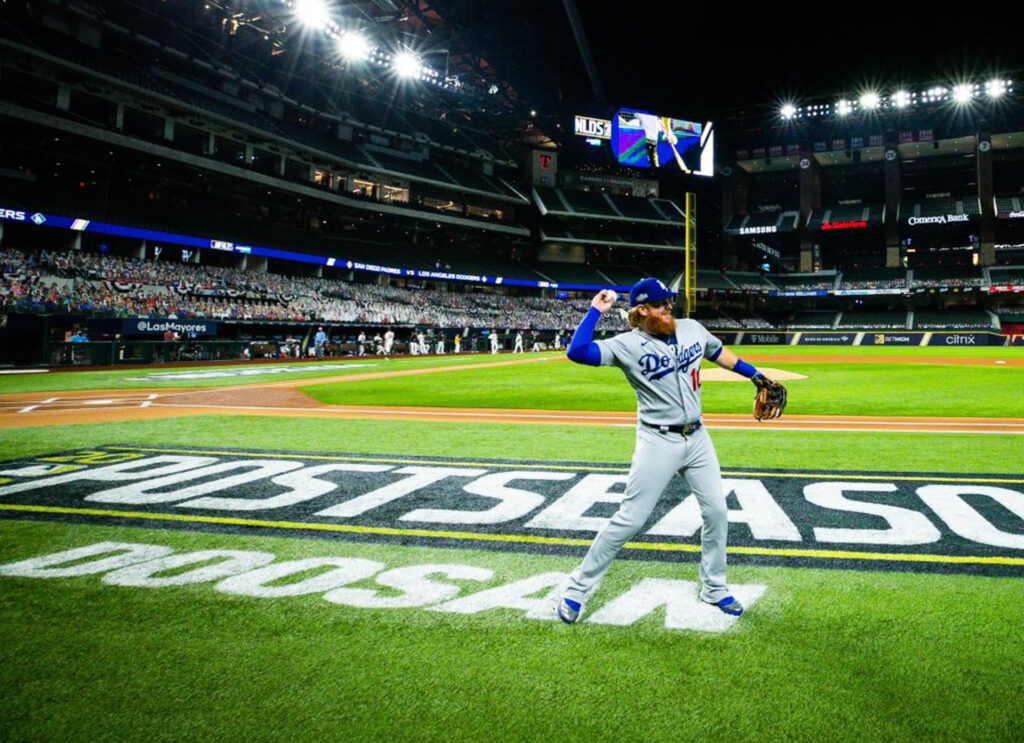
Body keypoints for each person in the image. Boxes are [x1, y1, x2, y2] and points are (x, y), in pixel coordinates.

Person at [556, 278, 780, 624]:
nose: (668, 308)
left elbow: (719, 353)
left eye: (669, 303)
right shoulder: (625, 345)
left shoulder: (691, 329)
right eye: (661, 304)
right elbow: (577, 352)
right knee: (630, 519)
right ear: (642, 310)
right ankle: (576, 589)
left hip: (698, 438)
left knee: (717, 512)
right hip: (657, 440)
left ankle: (714, 587)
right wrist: (595, 311)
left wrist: (756, 375)